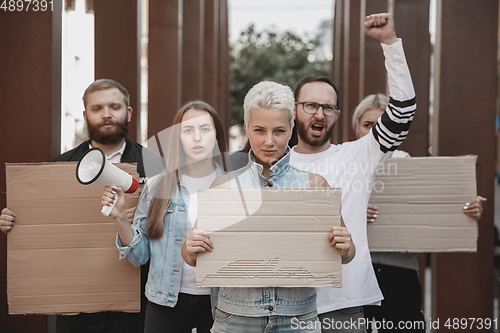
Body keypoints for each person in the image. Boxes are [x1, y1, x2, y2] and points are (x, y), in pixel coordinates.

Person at [181, 81, 355, 333]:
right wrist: (191, 246)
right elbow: (192, 258)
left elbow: (347, 255)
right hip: (236, 318)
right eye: (260, 130)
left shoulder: (315, 185)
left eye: (279, 131)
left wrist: (346, 245)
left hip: (298, 319)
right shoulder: (224, 186)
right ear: (246, 129)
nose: (269, 141)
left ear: (291, 129)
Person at [0, 79, 163, 333]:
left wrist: (150, 216)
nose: (106, 115)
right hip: (76, 305)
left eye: (114, 107)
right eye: (97, 109)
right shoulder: (61, 166)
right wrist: (16, 222)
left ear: (128, 112)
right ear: (86, 115)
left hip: (137, 302)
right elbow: (46, 227)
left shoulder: (156, 166)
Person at [289, 13, 414, 333]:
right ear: (294, 110)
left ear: (336, 115)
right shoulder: (275, 165)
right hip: (286, 306)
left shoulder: (359, 154)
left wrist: (390, 43)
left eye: (328, 107)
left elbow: (401, 112)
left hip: (344, 308)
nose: (319, 113)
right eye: (310, 105)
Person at [352, 93, 486, 332]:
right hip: (354, 274)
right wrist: (353, 215)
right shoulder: (343, 167)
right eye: (368, 125)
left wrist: (465, 209)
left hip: (400, 277)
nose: (375, 131)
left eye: (382, 124)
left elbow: (438, 207)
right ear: (357, 130)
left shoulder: (413, 169)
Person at [100, 101, 228, 333]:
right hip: (165, 305)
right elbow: (139, 257)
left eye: (205, 129)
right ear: (178, 138)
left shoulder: (234, 186)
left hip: (219, 306)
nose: (197, 137)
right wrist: (119, 217)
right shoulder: (157, 186)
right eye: (188, 130)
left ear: (217, 134)